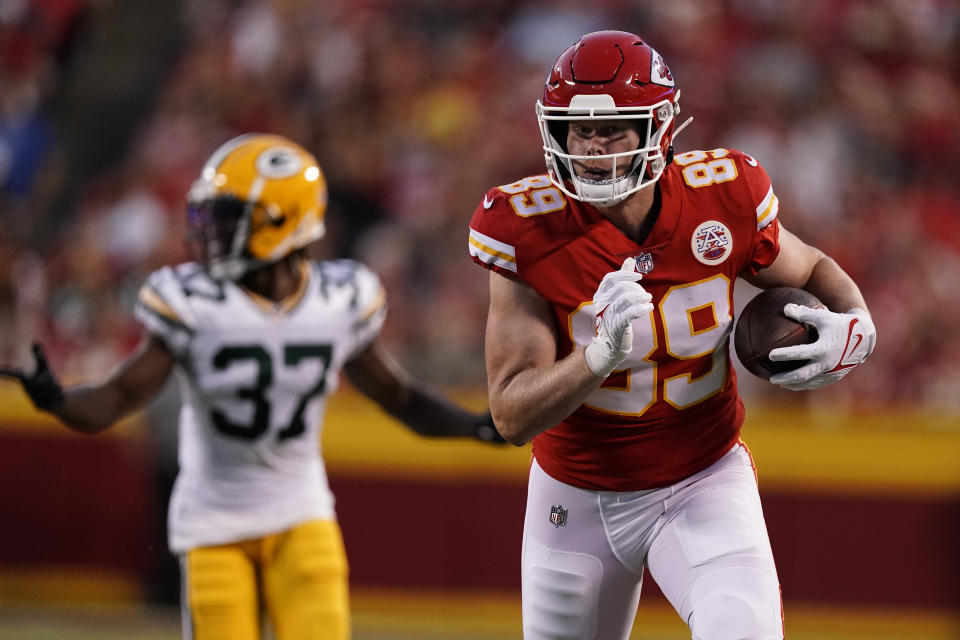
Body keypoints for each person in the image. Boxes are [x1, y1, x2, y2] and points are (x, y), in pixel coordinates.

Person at [1, 133, 502, 640]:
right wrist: (57, 399)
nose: (211, 229)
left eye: (229, 215)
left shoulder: (339, 299)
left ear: (286, 220)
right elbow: (115, 398)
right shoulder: (194, 302)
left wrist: (477, 427)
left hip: (301, 516)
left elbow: (399, 396)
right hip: (213, 527)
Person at [468, 31, 876, 640]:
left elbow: (812, 267)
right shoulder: (525, 228)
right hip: (577, 495)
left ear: (657, 129)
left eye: (613, 131)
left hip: (702, 478)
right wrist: (595, 358)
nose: (593, 149)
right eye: (578, 131)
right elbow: (510, 413)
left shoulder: (725, 193)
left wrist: (856, 323)